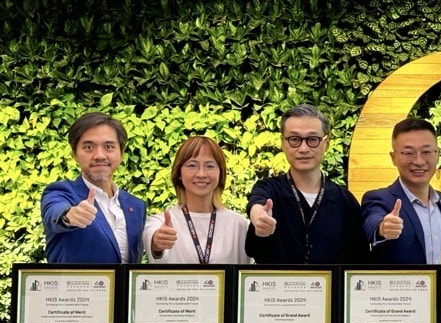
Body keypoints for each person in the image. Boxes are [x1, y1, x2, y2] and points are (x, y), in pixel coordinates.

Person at [245, 104, 368, 264]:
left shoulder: (345, 200)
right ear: (283, 143)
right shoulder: (269, 190)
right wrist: (260, 220)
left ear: (326, 143)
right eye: (294, 139)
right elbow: (257, 205)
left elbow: (360, 256)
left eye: (312, 140)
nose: (303, 149)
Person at [41, 112, 145, 263]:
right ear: (74, 154)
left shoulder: (136, 206)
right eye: (89, 147)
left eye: (109, 147)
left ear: (121, 153)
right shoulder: (60, 192)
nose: (99, 155)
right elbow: (55, 213)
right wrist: (69, 216)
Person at [361, 118, 441, 264]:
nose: (419, 161)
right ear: (393, 158)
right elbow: (372, 222)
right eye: (408, 153)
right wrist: (383, 228)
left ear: (437, 154)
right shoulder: (379, 199)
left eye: (426, 152)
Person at [143, 136, 248, 264]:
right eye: (192, 165)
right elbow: (153, 242)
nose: (201, 174)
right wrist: (157, 242)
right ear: (179, 173)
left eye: (210, 166)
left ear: (220, 173)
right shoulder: (160, 222)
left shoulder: (238, 224)